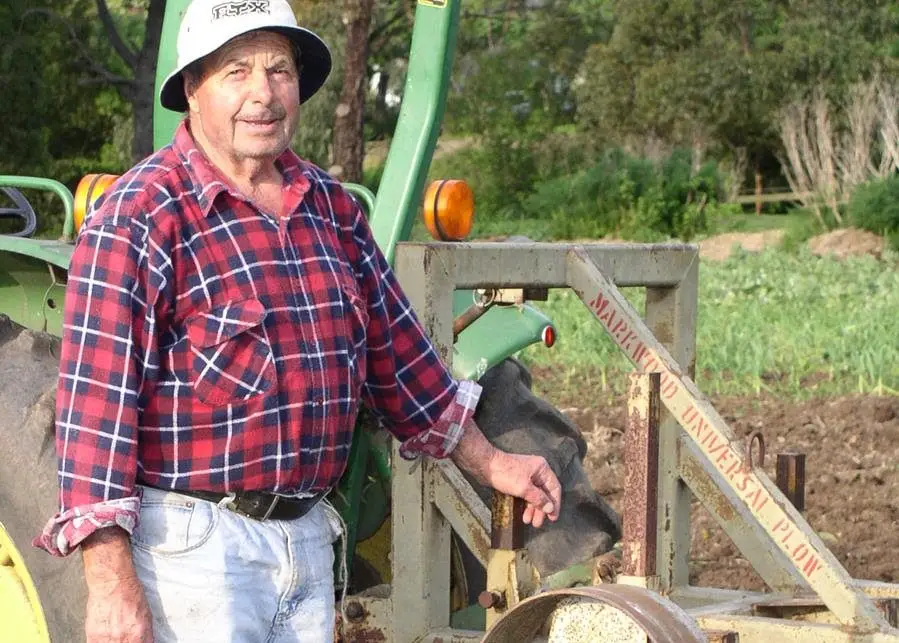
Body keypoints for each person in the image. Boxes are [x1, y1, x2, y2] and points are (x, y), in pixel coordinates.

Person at [34, 1, 562, 641]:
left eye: (279, 70)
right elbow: (95, 409)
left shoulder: (331, 208)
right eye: (237, 71)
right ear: (193, 89)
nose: (263, 93)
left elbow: (400, 360)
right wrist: (112, 586)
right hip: (196, 553)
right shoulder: (141, 216)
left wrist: (493, 461)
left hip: (308, 539)